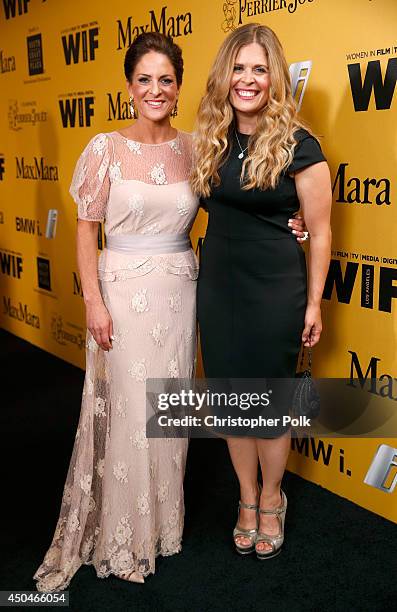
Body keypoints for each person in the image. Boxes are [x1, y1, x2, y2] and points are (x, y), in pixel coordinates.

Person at [34, 32, 200, 591]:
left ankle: (162, 527)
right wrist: (93, 301)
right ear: (129, 87)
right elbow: (86, 231)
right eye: (145, 79)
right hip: (121, 298)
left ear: (179, 88)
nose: (156, 89)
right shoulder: (104, 148)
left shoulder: (197, 148)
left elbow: (237, 211)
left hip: (179, 293)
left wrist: (293, 226)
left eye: (167, 80)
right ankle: (124, 539)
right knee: (131, 411)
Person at [192, 23, 332, 559]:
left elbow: (319, 233)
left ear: (274, 78)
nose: (247, 79)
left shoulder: (301, 145)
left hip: (276, 286)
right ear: (224, 74)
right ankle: (246, 499)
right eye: (238, 67)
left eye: (259, 68)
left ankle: (273, 498)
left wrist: (314, 300)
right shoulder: (210, 140)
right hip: (219, 284)